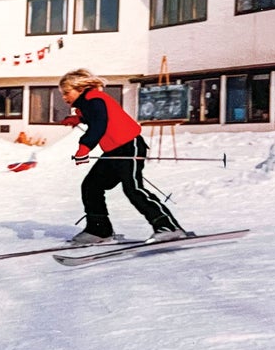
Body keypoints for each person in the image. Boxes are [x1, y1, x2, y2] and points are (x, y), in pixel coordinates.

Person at [59, 68, 185, 244]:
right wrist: (78, 120)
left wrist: (84, 147)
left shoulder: (95, 99)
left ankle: (168, 227)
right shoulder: (87, 103)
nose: (64, 98)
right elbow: (95, 119)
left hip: (129, 146)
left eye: (66, 93)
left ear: (80, 88)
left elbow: (99, 124)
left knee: (133, 188)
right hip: (113, 151)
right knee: (91, 186)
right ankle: (99, 230)